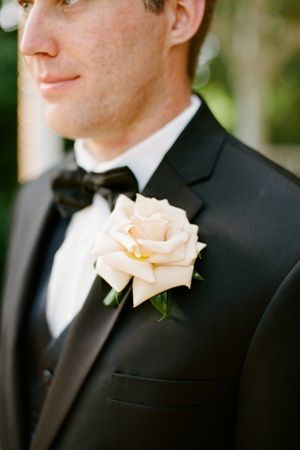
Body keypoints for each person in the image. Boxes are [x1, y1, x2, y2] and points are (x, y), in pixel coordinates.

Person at [1, 0, 299, 449]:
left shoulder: (287, 241)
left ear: (179, 14)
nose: (30, 42)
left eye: (69, 2)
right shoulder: (34, 199)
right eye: (26, 4)